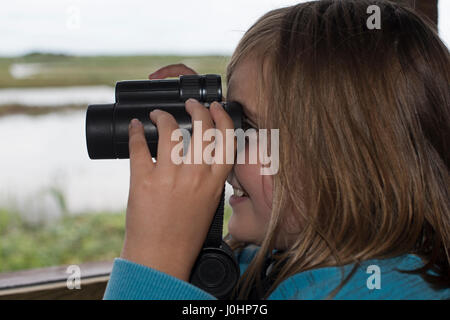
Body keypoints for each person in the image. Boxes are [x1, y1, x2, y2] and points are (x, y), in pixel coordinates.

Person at [103, 0, 449, 300]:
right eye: (227, 118)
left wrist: (154, 257)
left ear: (346, 160)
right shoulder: (286, 264)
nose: (223, 145)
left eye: (247, 127)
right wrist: (196, 252)